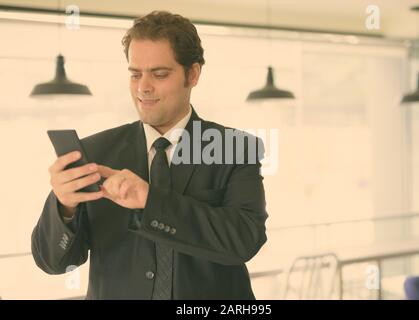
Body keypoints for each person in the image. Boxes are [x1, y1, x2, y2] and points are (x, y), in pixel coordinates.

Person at [31, 10, 268, 300]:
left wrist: (150, 200)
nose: (143, 87)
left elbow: (244, 241)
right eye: (135, 74)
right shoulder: (94, 152)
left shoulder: (234, 147)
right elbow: (52, 262)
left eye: (159, 74)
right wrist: (64, 207)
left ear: (192, 74)